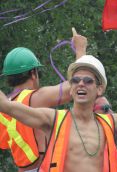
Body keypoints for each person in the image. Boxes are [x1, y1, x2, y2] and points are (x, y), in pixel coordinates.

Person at [1, 55, 117, 172]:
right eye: (75, 80)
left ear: (99, 88)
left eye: (88, 80)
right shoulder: (53, 120)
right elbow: (8, 107)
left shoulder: (111, 123)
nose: (80, 84)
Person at [0, 28, 87, 172]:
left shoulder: (4, 110)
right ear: (33, 73)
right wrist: (80, 49)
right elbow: (76, 86)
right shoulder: (34, 98)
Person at [94, 96, 117, 172]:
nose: (111, 112)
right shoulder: (78, 142)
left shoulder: (112, 147)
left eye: (110, 108)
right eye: (105, 108)